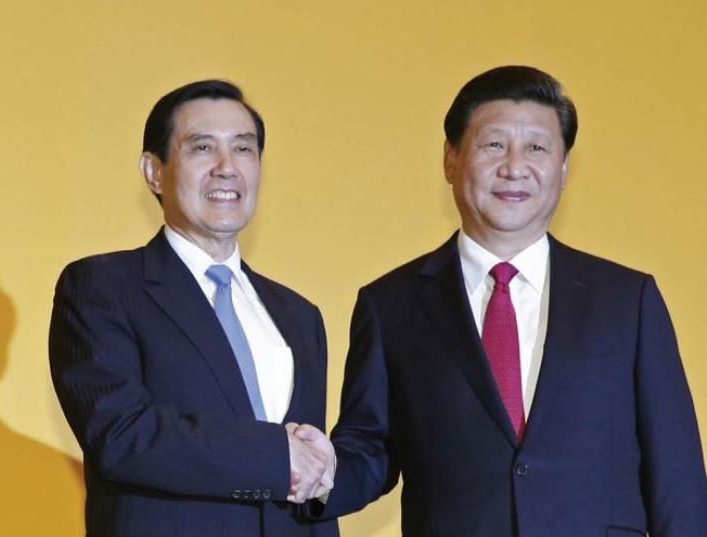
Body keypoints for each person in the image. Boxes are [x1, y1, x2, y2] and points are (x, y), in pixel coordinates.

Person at [300, 65, 707, 536]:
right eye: (493, 145)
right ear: (451, 159)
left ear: (563, 167)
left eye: (536, 147)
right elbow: (372, 450)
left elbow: (675, 471)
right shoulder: (390, 305)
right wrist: (319, 473)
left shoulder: (627, 299)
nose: (515, 167)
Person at [49, 80, 338, 537]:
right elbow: (122, 435)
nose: (227, 168)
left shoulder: (300, 317)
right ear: (154, 171)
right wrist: (275, 455)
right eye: (203, 148)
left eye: (244, 149)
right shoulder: (103, 287)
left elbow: (307, 475)